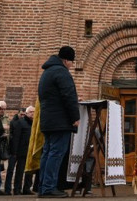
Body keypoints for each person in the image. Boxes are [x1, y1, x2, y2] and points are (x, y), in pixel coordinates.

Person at [38, 46, 80, 199]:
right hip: (60, 121)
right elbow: (68, 95)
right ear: (66, 60)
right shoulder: (61, 72)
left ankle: (43, 186)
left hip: (48, 120)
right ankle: (49, 187)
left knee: (48, 153)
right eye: (71, 62)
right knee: (55, 154)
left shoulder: (47, 72)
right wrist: (75, 117)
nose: (71, 65)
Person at [7, 106, 35, 195]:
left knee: (29, 171)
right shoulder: (20, 122)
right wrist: (14, 152)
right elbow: (16, 138)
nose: (33, 113)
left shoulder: (35, 123)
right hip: (21, 151)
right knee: (20, 171)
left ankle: (26, 188)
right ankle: (17, 189)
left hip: (31, 151)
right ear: (26, 113)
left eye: (34, 112)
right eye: (31, 112)